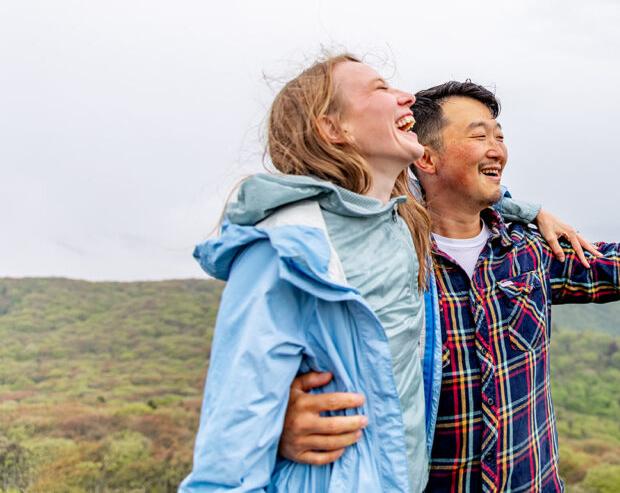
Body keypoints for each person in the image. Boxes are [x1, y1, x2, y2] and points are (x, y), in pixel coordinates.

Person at [279, 80, 620, 492]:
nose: (498, 149)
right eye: (479, 136)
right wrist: (283, 420)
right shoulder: (388, 262)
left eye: (500, 135)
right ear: (425, 159)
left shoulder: (529, 251)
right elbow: (305, 362)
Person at [180, 56, 589, 493]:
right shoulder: (286, 248)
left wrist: (531, 210)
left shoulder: (402, 225)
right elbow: (226, 461)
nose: (406, 96)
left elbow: (462, 183)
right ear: (333, 129)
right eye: (378, 89)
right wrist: (274, 422)